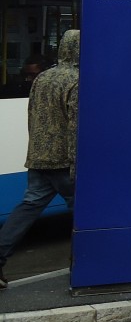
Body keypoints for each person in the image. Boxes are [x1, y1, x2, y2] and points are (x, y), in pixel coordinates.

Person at [0, 30, 80, 290]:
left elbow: (32, 114)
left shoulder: (43, 77)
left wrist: (34, 149)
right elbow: (75, 126)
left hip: (38, 157)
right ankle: (87, 265)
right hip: (63, 161)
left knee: (28, 207)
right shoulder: (77, 80)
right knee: (86, 213)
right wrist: (76, 165)